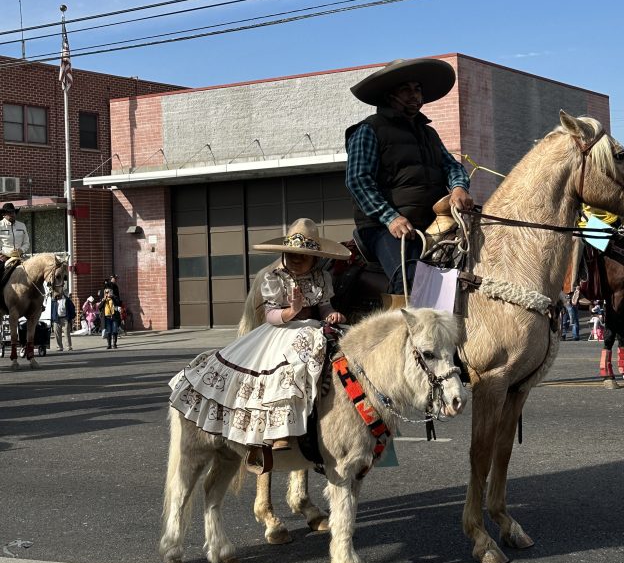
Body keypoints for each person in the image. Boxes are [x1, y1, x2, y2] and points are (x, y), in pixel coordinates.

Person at [168, 218, 350, 473]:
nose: (297, 260)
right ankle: (276, 431)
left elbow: (325, 307)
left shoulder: (321, 278)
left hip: (313, 330)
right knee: (284, 371)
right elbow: (271, 316)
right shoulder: (274, 278)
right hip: (282, 331)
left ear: (315, 259)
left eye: (304, 256)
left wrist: (333, 315)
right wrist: (291, 311)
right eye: (292, 254)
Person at [344, 57, 473, 293]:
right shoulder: (368, 130)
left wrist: (458, 187)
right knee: (411, 280)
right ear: (389, 95)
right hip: (384, 228)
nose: (414, 95)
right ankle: (405, 329)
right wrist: (390, 217)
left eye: (417, 89)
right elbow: (358, 181)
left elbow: (451, 166)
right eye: (406, 89)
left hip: (433, 223)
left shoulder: (429, 134)